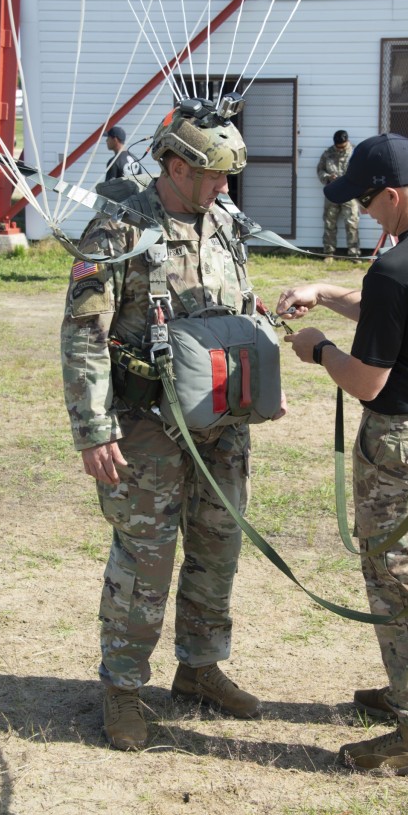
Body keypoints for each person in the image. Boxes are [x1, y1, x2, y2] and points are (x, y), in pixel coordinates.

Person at [61, 99, 286, 752]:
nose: (223, 187)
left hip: (223, 420)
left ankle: (200, 667)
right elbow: (83, 332)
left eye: (226, 176)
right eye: (213, 174)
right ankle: (123, 689)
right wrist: (93, 428)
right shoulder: (119, 228)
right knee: (146, 557)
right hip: (146, 425)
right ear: (175, 164)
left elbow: (238, 304)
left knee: (218, 546)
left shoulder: (224, 220)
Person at [277, 133, 408, 779]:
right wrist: (325, 289)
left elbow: (367, 379)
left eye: (369, 202)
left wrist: (316, 347)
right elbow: (403, 311)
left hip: (400, 451)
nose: (367, 213)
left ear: (393, 194)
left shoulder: (398, 266)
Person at [316, 129, 359, 261]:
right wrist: (329, 177)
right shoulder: (328, 153)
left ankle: (354, 254)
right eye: (337, 147)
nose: (340, 149)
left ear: (347, 142)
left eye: (343, 146)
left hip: (349, 193)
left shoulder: (356, 152)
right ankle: (328, 253)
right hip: (332, 192)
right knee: (329, 223)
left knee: (352, 223)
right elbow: (320, 170)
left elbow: (361, 171)